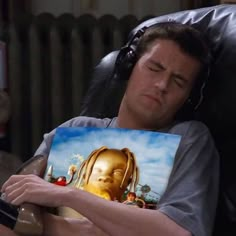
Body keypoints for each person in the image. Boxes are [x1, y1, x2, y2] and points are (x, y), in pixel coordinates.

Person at [0, 22, 219, 236]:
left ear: (188, 99)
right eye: (154, 68)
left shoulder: (189, 138)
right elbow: (13, 217)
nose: (162, 85)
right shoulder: (75, 130)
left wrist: (69, 196)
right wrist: (87, 229)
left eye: (178, 82)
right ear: (129, 66)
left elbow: (178, 231)